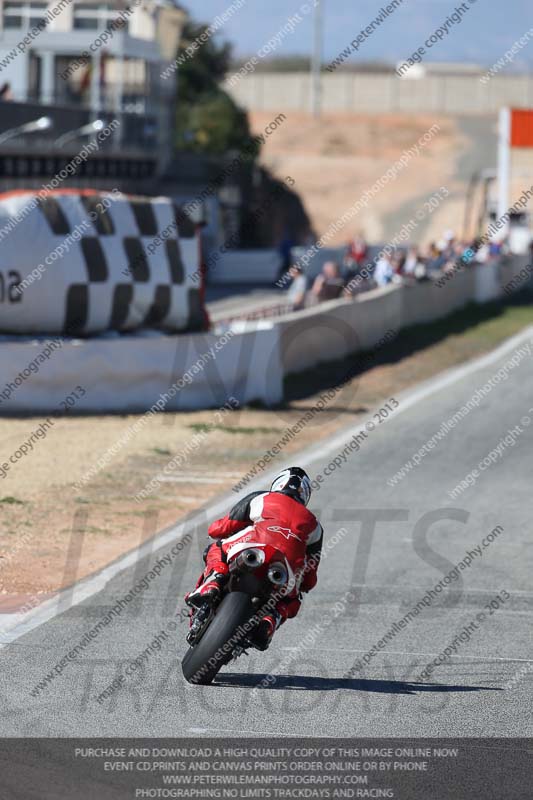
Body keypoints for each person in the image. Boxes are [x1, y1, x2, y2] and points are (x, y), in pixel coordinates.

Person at [185, 467, 323, 650]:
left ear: (278, 483)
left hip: (252, 551)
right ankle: (270, 621)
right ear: (305, 495)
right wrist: (300, 586)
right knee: (292, 600)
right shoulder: (315, 526)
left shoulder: (261, 498)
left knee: (216, 548)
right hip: (284, 569)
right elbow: (310, 579)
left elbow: (217, 529)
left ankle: (213, 581)